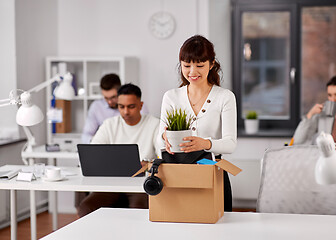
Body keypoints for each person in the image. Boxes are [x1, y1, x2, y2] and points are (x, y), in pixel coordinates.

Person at [157, 35, 237, 211]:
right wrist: (165, 138)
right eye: (187, 65)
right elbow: (158, 140)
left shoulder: (225, 97)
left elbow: (230, 144)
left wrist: (206, 143)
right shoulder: (171, 97)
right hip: (176, 174)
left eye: (199, 65)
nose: (192, 72)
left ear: (212, 64)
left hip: (211, 173)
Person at [77, 83, 160, 217]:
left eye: (131, 106)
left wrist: (148, 164)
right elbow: (93, 152)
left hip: (140, 186)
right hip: (112, 184)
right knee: (85, 208)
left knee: (138, 209)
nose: (126, 112)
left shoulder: (155, 124)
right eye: (121, 107)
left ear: (141, 105)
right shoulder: (109, 124)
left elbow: (163, 156)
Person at [81, 73, 121, 144]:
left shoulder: (133, 106)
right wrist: (96, 141)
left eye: (113, 97)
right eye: (106, 98)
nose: (109, 102)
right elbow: (86, 135)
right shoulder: (96, 106)